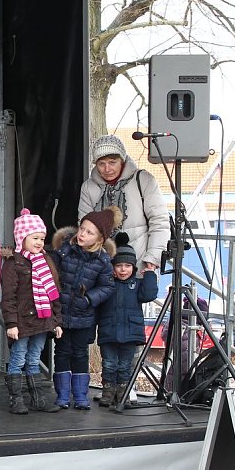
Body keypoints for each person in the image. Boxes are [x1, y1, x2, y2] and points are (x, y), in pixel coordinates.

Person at [50, 206, 118, 410]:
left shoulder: (103, 261)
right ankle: (62, 395)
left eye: (89, 232)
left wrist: (88, 299)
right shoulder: (64, 251)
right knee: (61, 352)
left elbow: (107, 287)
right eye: (82, 229)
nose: (82, 234)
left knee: (80, 353)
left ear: (99, 239)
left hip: (84, 315)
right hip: (62, 313)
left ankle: (80, 395)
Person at [78, 134, 170, 274]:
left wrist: (153, 257)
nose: (107, 169)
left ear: (122, 160)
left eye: (112, 162)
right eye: (101, 164)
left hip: (139, 264)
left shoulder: (144, 179)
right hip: (101, 266)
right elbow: (84, 227)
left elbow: (159, 221)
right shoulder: (88, 187)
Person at [0, 209, 62, 415]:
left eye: (42, 239)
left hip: (43, 321)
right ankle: (16, 398)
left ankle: (38, 398)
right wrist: (11, 324)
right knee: (18, 358)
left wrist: (56, 321)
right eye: (35, 238)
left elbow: (54, 294)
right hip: (22, 322)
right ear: (22, 237)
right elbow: (9, 297)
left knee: (34, 358)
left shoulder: (46, 261)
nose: (39, 243)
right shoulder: (13, 263)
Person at [96, 233, 158, 409]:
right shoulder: (107, 284)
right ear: (112, 267)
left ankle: (123, 393)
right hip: (109, 332)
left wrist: (150, 274)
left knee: (124, 366)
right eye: (119, 266)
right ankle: (108, 392)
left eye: (127, 266)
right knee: (108, 364)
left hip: (131, 333)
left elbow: (149, 294)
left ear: (134, 268)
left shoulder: (137, 285)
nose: (123, 270)